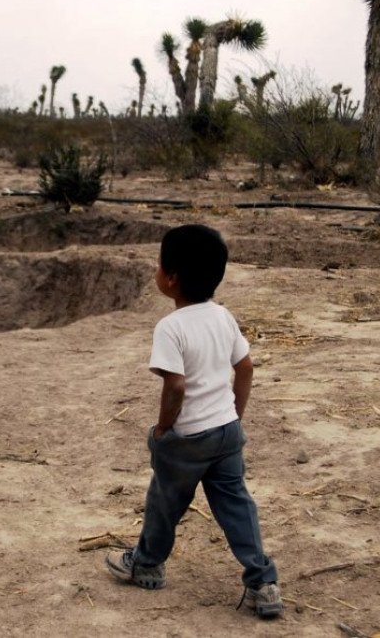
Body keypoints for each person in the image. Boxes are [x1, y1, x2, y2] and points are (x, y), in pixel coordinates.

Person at [105, 224, 282, 619]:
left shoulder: (171, 327)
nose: (156, 271)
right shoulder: (223, 316)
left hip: (187, 439)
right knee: (237, 507)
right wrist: (235, 415)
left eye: (158, 265)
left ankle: (147, 565)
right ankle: (263, 582)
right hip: (227, 434)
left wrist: (164, 429)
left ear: (171, 278)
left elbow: (176, 386)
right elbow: (246, 367)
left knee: (164, 504)